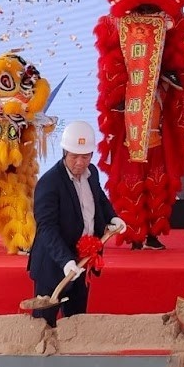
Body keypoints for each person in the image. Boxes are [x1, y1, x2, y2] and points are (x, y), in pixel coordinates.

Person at [28, 120, 126, 324]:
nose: (80, 162)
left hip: (82, 260)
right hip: (54, 264)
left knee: (77, 322)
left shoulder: (92, 173)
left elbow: (99, 198)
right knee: (43, 324)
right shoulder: (49, 183)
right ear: (65, 153)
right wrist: (66, 261)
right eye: (74, 156)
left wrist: (112, 217)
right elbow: (46, 228)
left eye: (85, 156)